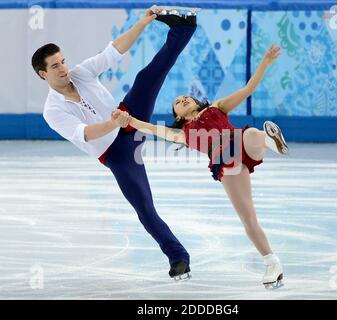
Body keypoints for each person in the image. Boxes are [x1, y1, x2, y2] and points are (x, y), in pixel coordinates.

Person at [31, 6, 198, 280]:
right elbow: (85, 133)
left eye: (63, 61)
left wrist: (144, 22)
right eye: (55, 66)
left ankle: (184, 29)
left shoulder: (80, 73)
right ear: (42, 74)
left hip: (127, 116)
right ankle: (178, 257)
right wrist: (114, 123)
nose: (63, 68)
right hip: (116, 154)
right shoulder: (52, 111)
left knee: (147, 77)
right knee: (144, 207)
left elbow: (114, 50)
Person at [120, 44, 287, 289]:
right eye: (178, 101)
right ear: (178, 116)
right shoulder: (183, 133)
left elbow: (248, 89)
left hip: (240, 141)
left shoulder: (216, 107)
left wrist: (265, 62)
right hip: (226, 163)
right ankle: (272, 263)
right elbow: (153, 128)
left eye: (185, 96)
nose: (183, 98)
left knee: (249, 134)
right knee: (248, 218)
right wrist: (130, 120)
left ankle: (268, 139)